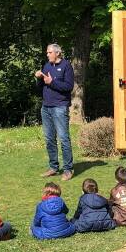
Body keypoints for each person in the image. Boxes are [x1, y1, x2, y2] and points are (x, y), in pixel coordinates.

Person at [35, 43, 75, 181]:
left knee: (63, 139)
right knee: (49, 139)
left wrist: (52, 82)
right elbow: (41, 86)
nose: (47, 54)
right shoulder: (47, 66)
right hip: (46, 107)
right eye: (47, 52)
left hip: (59, 107)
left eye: (49, 52)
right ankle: (53, 167)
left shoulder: (66, 66)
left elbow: (68, 87)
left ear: (57, 53)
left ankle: (68, 169)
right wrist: (39, 78)